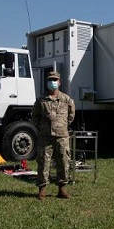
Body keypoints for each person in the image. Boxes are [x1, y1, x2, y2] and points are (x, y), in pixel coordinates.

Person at [32, 71, 75, 200]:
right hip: (45, 137)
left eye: (55, 80)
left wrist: (61, 126)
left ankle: (62, 189)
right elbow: (35, 116)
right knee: (44, 162)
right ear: (47, 82)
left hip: (62, 136)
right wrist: (43, 128)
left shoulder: (66, 99)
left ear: (59, 82)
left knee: (63, 162)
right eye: (50, 80)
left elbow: (71, 116)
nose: (53, 82)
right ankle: (42, 189)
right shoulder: (41, 100)